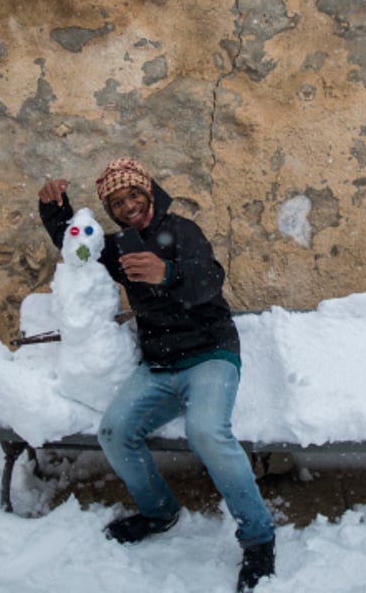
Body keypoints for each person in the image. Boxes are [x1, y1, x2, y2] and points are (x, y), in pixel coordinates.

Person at [37, 157, 276, 592]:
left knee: (207, 433)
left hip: (210, 354)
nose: (128, 206)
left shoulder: (183, 231)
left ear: (149, 192)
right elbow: (79, 246)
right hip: (160, 365)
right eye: (116, 201)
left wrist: (167, 273)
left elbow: (210, 280)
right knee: (115, 431)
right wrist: (57, 210)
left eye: (134, 195)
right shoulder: (121, 246)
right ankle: (159, 511)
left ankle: (259, 539)